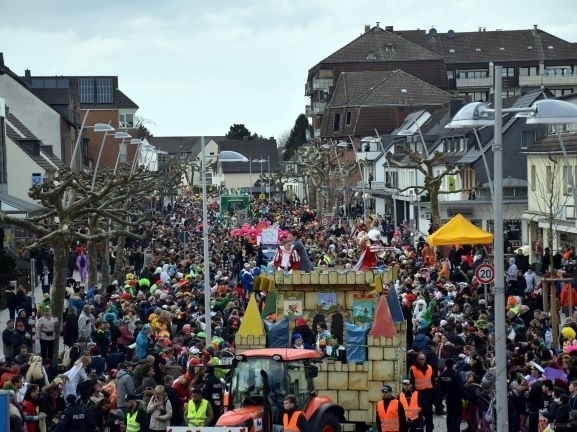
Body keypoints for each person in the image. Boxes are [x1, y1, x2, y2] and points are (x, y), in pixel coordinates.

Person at [409, 353, 435, 432]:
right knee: (418, 416)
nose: (422, 361)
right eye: (420, 359)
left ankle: (429, 430)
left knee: (429, 415)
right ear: (417, 359)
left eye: (423, 359)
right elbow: (411, 383)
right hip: (418, 395)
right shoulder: (412, 369)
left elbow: (433, 381)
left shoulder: (430, 368)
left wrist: (433, 395)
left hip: (428, 394)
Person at [439, 358, 465, 432]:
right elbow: (460, 388)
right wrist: (465, 396)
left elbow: (440, 389)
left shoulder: (442, 375)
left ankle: (449, 429)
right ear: (453, 365)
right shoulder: (456, 375)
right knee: (456, 416)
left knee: (449, 415)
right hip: (456, 398)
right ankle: (456, 430)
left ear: (445, 365)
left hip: (448, 398)